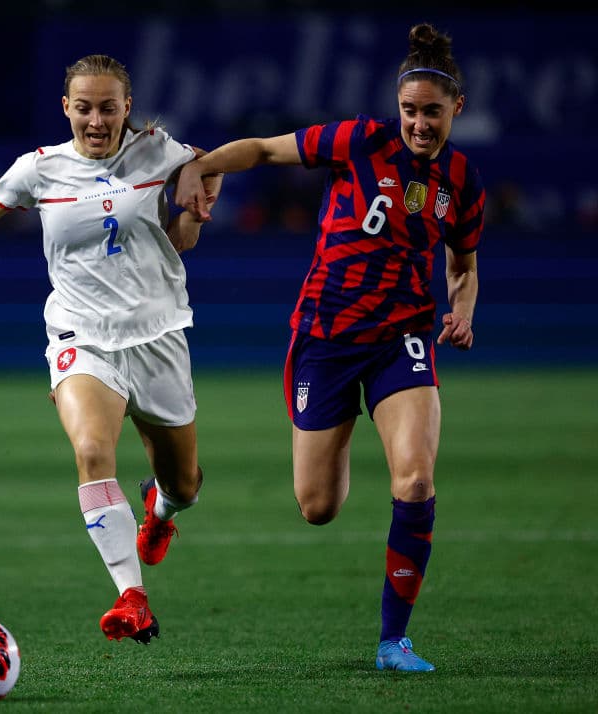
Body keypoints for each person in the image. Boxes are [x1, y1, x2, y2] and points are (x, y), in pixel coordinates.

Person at [0, 54, 221, 644]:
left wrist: (192, 213)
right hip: (80, 336)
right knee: (92, 450)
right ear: (66, 108)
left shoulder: (159, 152)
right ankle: (132, 597)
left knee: (184, 486)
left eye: (108, 108)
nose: (96, 120)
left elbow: (207, 176)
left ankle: (160, 510)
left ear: (127, 108)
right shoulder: (39, 169)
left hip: (159, 337)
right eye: (83, 108)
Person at [175, 22, 483, 672]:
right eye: (410, 110)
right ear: (397, 105)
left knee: (416, 479)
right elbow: (264, 150)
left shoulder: (461, 180)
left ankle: (393, 641)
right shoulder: (361, 141)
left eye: (432, 112)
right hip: (326, 338)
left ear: (457, 108)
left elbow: (463, 264)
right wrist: (201, 165)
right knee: (318, 507)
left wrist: (461, 310)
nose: (419, 123)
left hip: (402, 339)